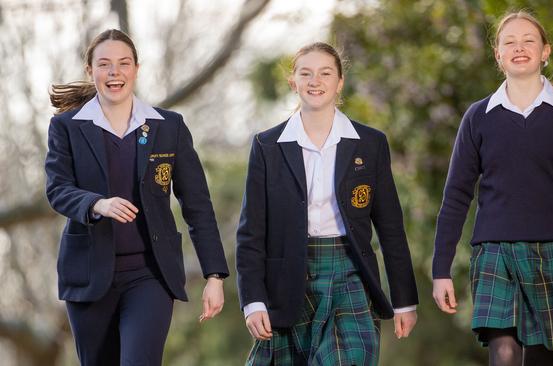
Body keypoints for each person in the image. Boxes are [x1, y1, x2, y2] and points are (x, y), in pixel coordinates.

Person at [431, 10, 553, 366]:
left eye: (529, 40)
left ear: (546, 51)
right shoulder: (478, 117)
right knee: (505, 354)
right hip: (495, 253)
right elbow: (456, 196)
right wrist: (440, 270)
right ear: (498, 55)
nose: (519, 48)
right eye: (509, 42)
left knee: (542, 361)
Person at [45, 29, 229, 366]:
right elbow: (57, 190)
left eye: (123, 63)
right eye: (104, 64)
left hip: (150, 275)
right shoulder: (67, 127)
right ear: (91, 71)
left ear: (136, 69)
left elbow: (198, 205)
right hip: (88, 277)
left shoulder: (167, 126)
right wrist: (96, 204)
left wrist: (214, 275)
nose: (115, 72)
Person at [236, 42, 419, 365]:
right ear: (293, 82)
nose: (315, 81)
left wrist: (405, 301)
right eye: (306, 73)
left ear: (340, 82)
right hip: (286, 282)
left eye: (325, 73)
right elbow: (251, 235)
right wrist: (253, 301)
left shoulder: (371, 143)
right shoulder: (266, 146)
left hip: (351, 276)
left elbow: (391, 229)